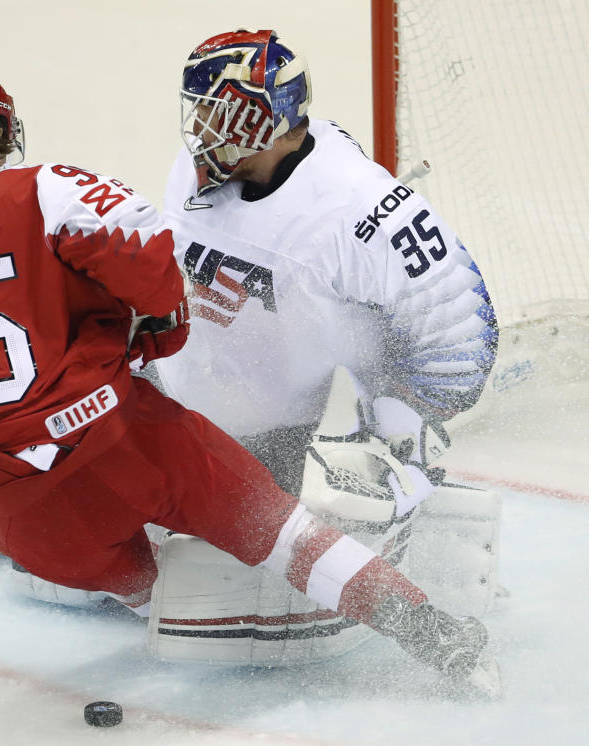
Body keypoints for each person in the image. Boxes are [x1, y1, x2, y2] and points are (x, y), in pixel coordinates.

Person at [0, 63, 498, 692]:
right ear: (1, 130)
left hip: (16, 510)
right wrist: (155, 330)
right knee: (286, 537)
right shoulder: (43, 188)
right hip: (127, 443)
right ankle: (430, 632)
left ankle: (140, 596)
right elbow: (152, 258)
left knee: (143, 579)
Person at [144, 29, 501, 664]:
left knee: (218, 586)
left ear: (257, 116)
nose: (196, 126)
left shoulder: (356, 206)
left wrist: (406, 416)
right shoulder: (195, 170)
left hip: (295, 439)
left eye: (211, 109)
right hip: (191, 416)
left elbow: (457, 322)